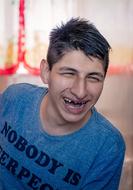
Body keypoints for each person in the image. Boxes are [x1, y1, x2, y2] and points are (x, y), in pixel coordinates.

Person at [0, 17, 125, 190]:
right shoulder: (13, 98)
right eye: (68, 73)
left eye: (93, 77)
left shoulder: (108, 146)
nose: (80, 92)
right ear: (46, 72)